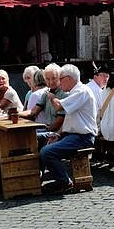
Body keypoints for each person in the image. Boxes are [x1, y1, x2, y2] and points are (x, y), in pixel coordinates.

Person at [39, 64, 98, 194]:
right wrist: (58, 134)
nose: (59, 82)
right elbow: (69, 120)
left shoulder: (81, 91)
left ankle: (64, 182)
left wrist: (52, 97)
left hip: (82, 137)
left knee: (47, 152)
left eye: (60, 79)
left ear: (69, 78)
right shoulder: (74, 92)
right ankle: (39, 177)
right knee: (41, 140)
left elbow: (59, 107)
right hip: (73, 135)